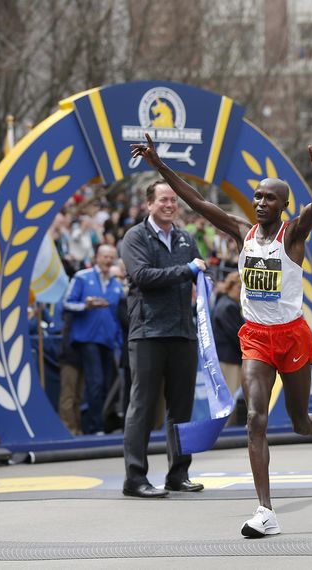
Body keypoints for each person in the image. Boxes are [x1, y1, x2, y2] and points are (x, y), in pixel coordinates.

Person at [130, 132, 312, 538]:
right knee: (255, 419)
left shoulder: (293, 236)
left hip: (292, 335)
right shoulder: (242, 232)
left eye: (269, 198)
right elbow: (197, 201)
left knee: (300, 422)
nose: (261, 202)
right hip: (256, 338)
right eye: (258, 197)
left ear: (283, 207)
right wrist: (159, 165)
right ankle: (265, 511)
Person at [119, 179, 206, 500]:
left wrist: (200, 278)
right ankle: (134, 478)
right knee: (141, 407)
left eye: (173, 201)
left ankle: (178, 474)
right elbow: (142, 277)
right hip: (148, 333)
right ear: (149, 204)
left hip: (182, 332)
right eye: (163, 200)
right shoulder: (135, 237)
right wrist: (188, 271)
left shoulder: (185, 238)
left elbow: (198, 276)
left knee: (181, 410)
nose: (170, 205)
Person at [63, 244, 124, 434]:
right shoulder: (82, 277)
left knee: (106, 385)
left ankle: (99, 424)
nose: (108, 260)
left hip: (107, 341)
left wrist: (119, 342)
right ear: (97, 257)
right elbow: (66, 303)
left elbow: (117, 316)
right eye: (105, 256)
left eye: (111, 257)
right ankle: (94, 427)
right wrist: (85, 306)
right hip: (87, 339)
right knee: (95, 383)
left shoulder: (116, 285)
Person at [212, 271, 246, 419]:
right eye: (239, 288)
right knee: (229, 399)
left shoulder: (224, 303)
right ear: (230, 287)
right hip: (229, 361)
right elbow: (236, 335)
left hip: (226, 359)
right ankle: (225, 433)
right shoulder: (228, 307)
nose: (241, 292)